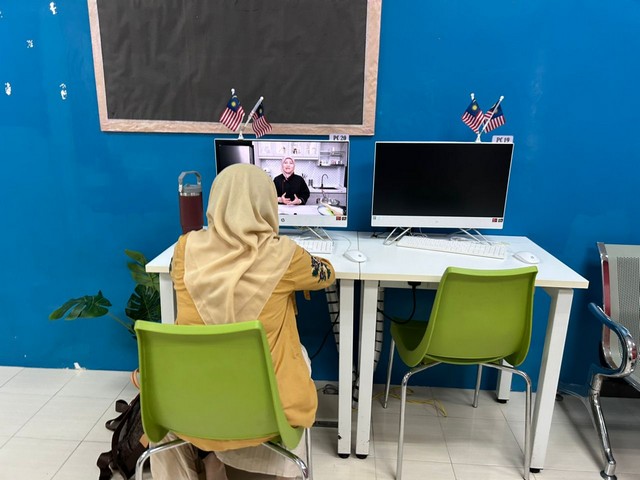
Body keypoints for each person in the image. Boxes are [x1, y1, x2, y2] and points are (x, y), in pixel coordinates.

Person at [151, 164, 335, 480]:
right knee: (301, 359)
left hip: (186, 398)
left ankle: (205, 459)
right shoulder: (286, 254)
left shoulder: (184, 248)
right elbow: (326, 274)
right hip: (263, 406)